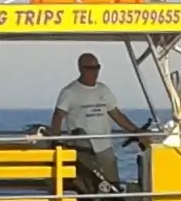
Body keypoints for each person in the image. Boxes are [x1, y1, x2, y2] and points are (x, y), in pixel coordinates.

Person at [50, 53, 144, 191]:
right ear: (81, 68)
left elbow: (116, 114)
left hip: (104, 148)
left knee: (113, 185)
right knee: (87, 186)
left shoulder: (103, 90)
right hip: (83, 151)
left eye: (97, 67)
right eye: (90, 68)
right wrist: (56, 141)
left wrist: (136, 132)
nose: (95, 71)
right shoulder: (69, 92)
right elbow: (58, 116)